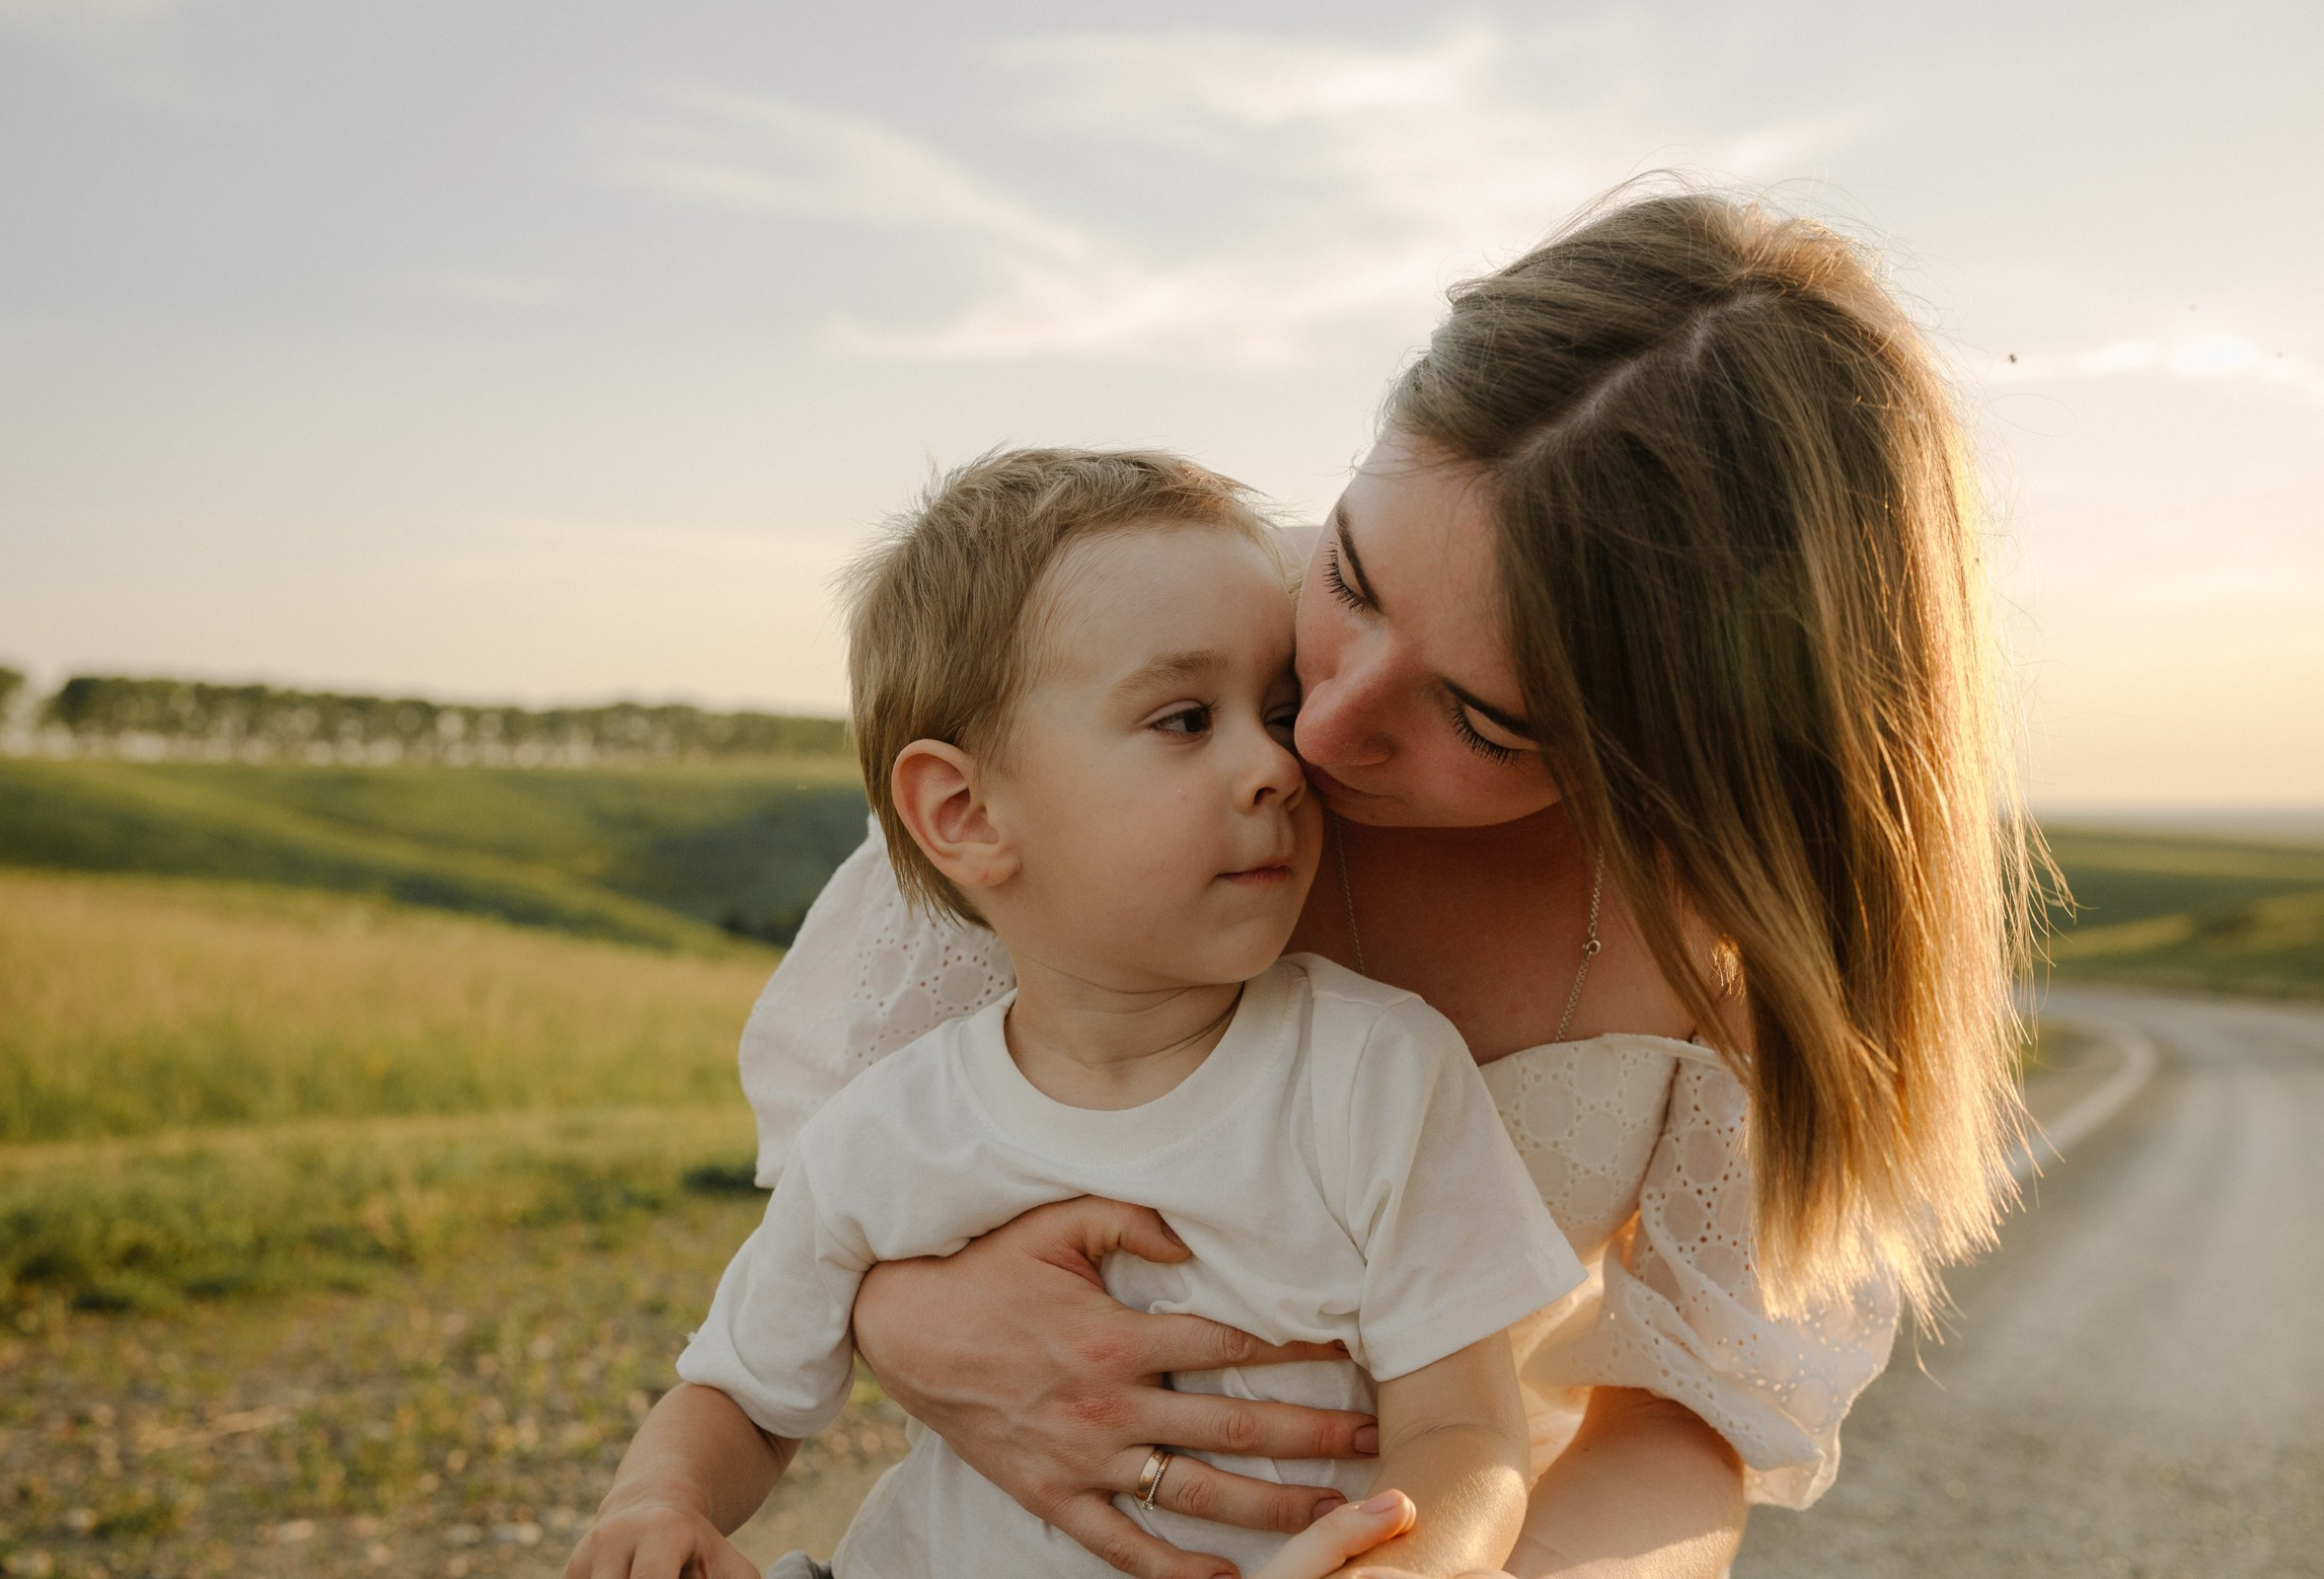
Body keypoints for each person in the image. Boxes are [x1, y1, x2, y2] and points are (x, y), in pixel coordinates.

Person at [738, 187, 2038, 1579]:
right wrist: (905, 1322)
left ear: (1678, 746)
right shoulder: (1140, 658)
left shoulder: (1741, 926)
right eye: (1349, 579)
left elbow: (1682, 1425)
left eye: (1487, 719)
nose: (1326, 726)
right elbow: (837, 1154)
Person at [568, 450, 1592, 1579]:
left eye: (1278, 708)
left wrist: (1412, 1564)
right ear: (964, 813)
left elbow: (1465, 1431)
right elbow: (743, 1395)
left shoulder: (1377, 1076)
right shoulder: (889, 1130)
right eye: (1186, 718)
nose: (1280, 764)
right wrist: (659, 1498)